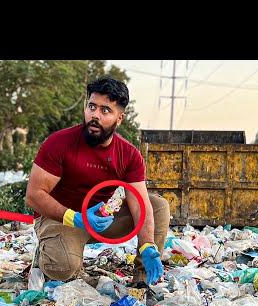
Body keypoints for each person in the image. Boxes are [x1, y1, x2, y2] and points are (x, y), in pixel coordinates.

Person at [26, 77, 170, 286]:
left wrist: (147, 244)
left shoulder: (129, 154)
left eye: (105, 110)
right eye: (91, 107)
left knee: (158, 206)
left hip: (100, 219)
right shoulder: (59, 142)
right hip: (60, 218)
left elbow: (139, 203)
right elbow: (34, 195)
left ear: (119, 118)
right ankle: (46, 252)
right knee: (62, 268)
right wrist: (76, 218)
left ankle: (142, 280)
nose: (95, 115)